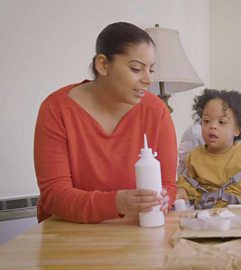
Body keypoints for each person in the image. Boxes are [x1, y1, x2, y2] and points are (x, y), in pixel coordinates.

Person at [33, 22, 177, 223]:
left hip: (132, 232)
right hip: (65, 235)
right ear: (103, 65)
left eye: (150, 70)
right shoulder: (56, 109)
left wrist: (163, 200)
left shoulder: (157, 112)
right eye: (136, 68)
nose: (147, 79)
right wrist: (114, 204)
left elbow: (168, 185)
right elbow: (54, 195)